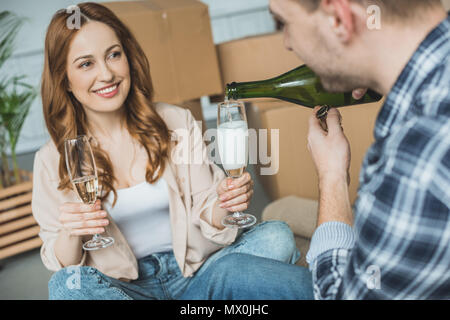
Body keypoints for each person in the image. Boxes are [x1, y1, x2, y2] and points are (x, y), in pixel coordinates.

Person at [32, 2, 314, 300]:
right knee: (66, 286)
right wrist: (73, 231)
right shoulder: (51, 160)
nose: (106, 74)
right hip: (125, 289)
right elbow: (60, 262)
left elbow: (208, 208)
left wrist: (226, 204)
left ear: (128, 56)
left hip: (197, 275)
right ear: (64, 78)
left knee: (276, 237)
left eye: (114, 55)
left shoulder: (175, 121)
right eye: (86, 64)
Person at [269, 0, 450, 299]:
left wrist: (332, 177)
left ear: (339, 18)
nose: (287, 42)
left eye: (282, 22)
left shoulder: (416, 165)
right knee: (280, 210)